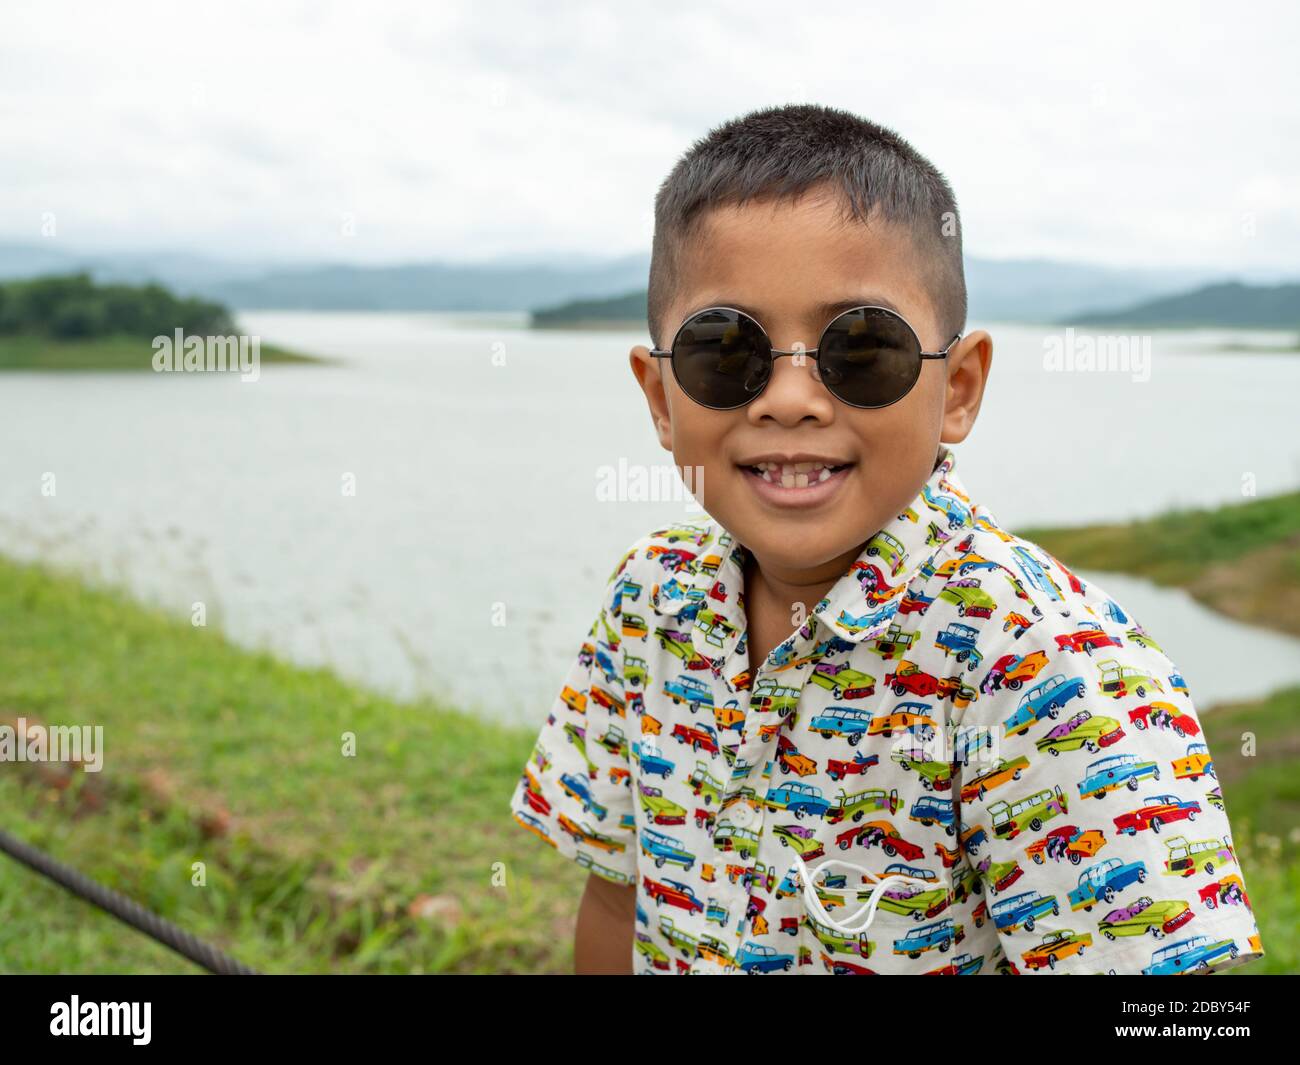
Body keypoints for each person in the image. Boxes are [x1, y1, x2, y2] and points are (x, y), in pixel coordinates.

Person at [507, 103, 1265, 975]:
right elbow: (615, 894)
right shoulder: (649, 599)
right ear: (659, 399)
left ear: (959, 389)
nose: (789, 398)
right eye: (726, 349)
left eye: (861, 349)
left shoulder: (1049, 664)